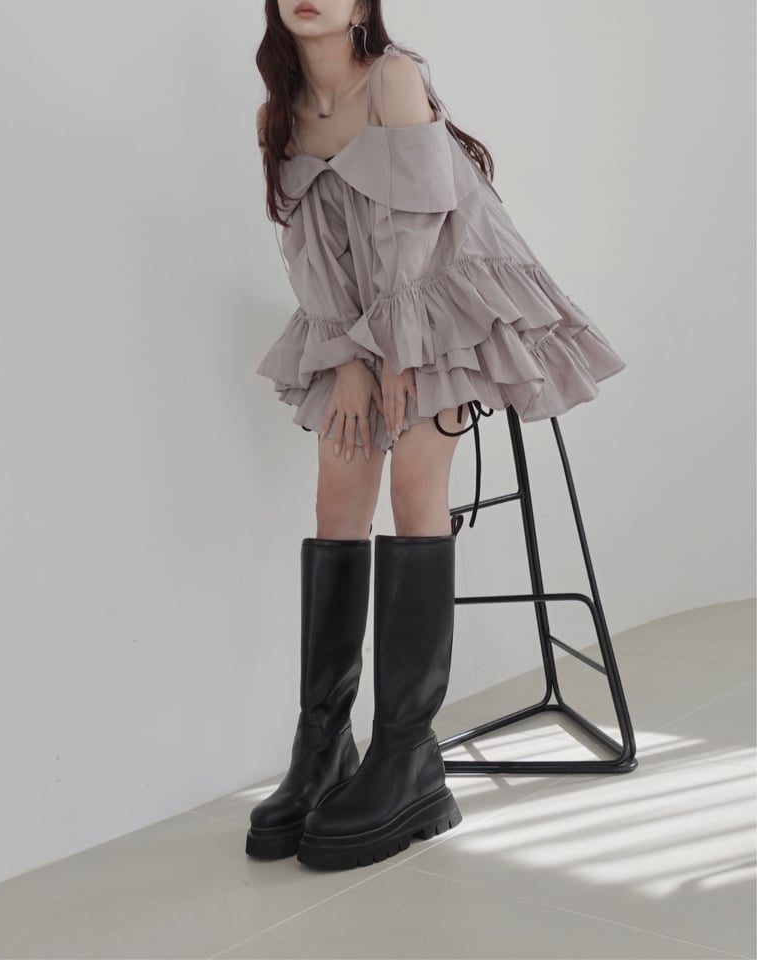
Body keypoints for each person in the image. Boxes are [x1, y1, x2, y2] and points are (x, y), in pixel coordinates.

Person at [247, 0, 627, 871]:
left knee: (415, 492)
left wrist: (396, 351)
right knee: (337, 499)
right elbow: (310, 252)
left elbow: (412, 229)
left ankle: (408, 756)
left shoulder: (394, 77)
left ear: (362, 6)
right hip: (359, 325)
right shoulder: (280, 113)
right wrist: (349, 358)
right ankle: (323, 745)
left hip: (446, 306)